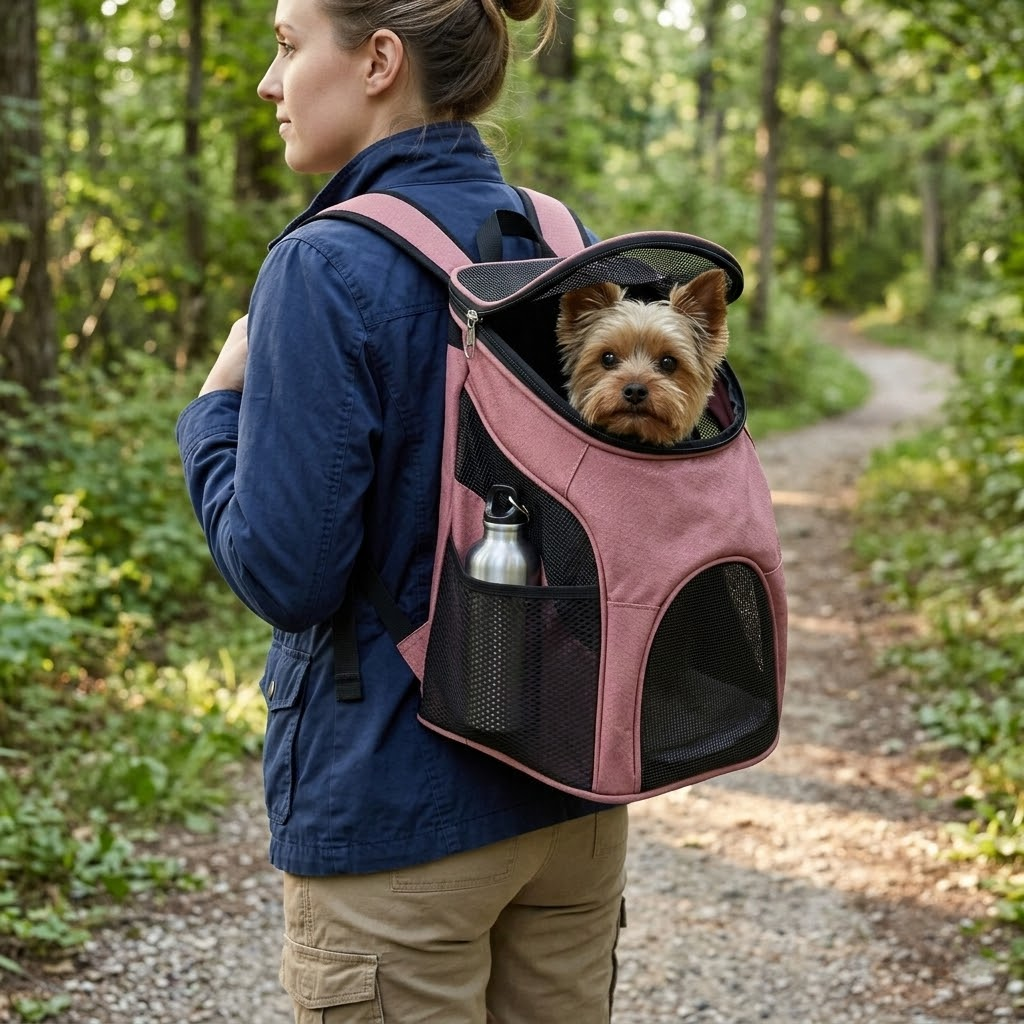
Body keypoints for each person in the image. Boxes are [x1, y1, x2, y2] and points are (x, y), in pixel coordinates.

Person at [175, 1, 628, 1021]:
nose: (267, 80)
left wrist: (211, 416)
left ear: (378, 60)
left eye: (288, 46)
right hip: (570, 792)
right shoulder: (561, 237)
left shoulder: (324, 264)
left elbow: (287, 573)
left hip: (397, 813)